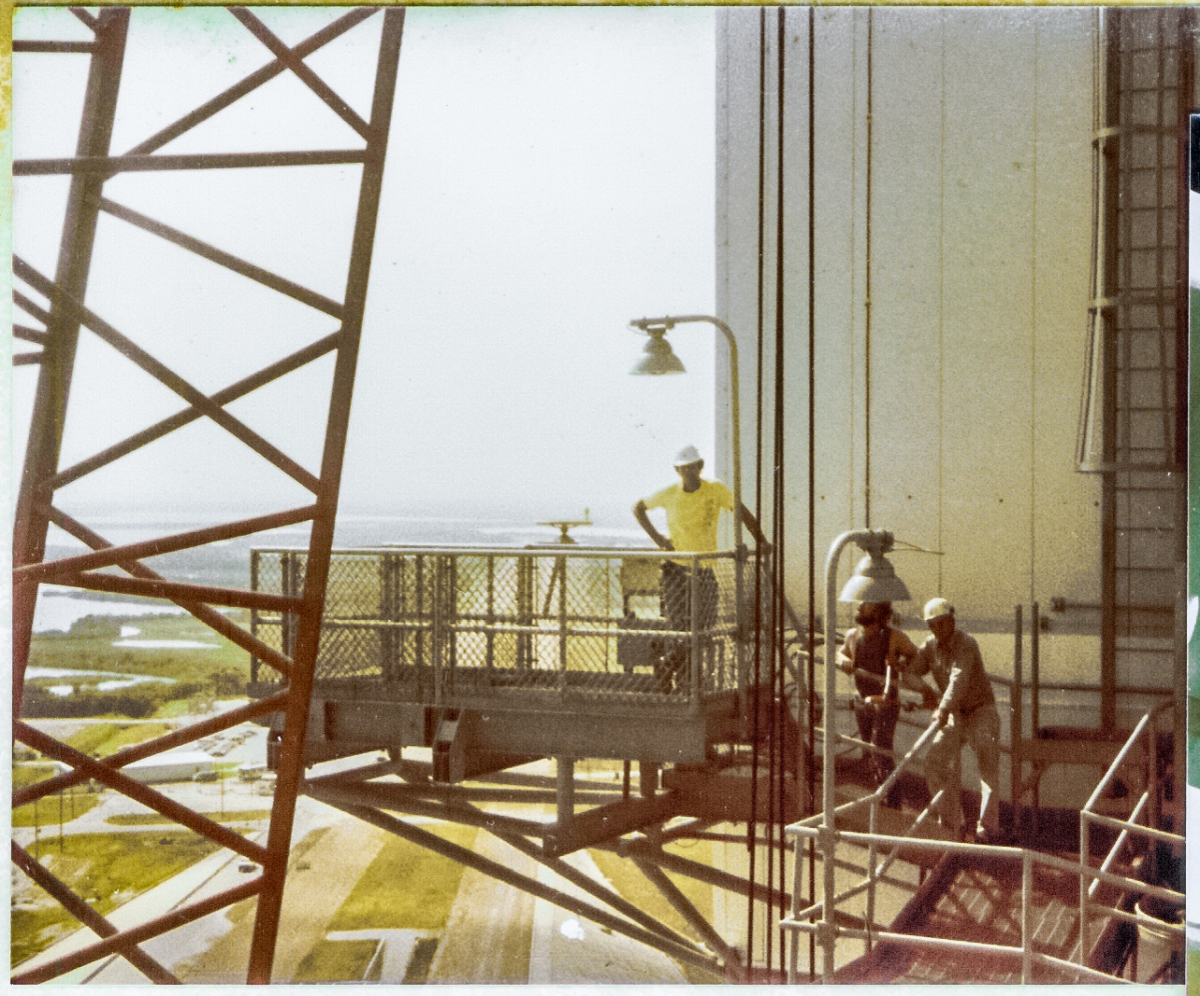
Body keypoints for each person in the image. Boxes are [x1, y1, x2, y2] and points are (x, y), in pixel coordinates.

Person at [633, 445, 771, 692]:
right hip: (675, 570)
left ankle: (668, 667)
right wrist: (659, 539)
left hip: (704, 569)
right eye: (683, 468)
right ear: (677, 470)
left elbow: (741, 511)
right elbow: (638, 507)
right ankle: (685, 680)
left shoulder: (714, 490)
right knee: (682, 629)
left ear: (701, 466)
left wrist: (760, 540)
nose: (688, 472)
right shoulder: (669, 493)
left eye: (692, 467)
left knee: (703, 628)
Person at [905, 597, 1002, 842]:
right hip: (954, 713)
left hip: (980, 711)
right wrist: (926, 691)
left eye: (942, 623)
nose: (938, 629)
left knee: (987, 768)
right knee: (934, 762)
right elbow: (910, 673)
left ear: (952, 620)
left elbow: (959, 679)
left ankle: (987, 829)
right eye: (933, 625)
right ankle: (952, 822)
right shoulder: (930, 646)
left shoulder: (966, 644)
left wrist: (943, 706)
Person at [837, 601, 918, 805]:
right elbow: (841, 653)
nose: (865, 625)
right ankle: (879, 792)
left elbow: (916, 657)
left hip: (885, 703)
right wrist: (842, 661)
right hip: (861, 700)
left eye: (867, 613)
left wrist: (900, 664)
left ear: (881, 615)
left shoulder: (895, 637)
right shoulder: (853, 636)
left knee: (881, 748)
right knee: (868, 749)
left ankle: (892, 797)